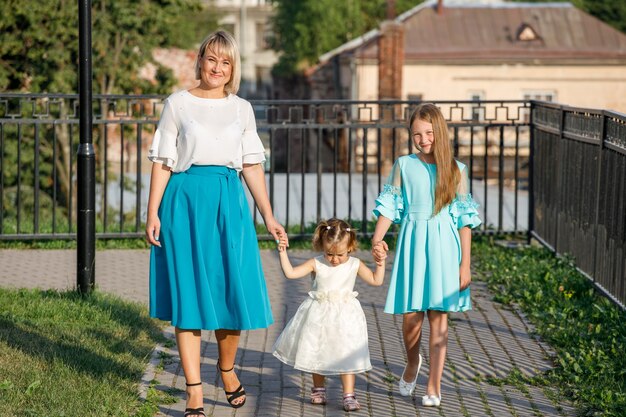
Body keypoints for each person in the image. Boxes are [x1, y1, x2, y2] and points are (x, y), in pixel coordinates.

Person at [145, 30, 287, 416]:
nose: (217, 68)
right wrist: (152, 211)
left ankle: (226, 369)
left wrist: (269, 216)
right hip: (185, 202)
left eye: (226, 62)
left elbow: (252, 165)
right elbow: (163, 161)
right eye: (212, 59)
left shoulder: (242, 109)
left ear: (233, 68)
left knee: (230, 296)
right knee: (188, 298)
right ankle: (193, 390)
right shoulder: (177, 104)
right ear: (201, 60)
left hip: (229, 203)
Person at [371, 103, 481, 407]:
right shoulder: (404, 165)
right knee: (411, 318)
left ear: (440, 132)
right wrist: (378, 238)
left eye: (429, 132)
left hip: (446, 247)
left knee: (438, 316)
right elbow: (390, 206)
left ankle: (434, 384)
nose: (423, 139)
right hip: (413, 243)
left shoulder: (457, 170)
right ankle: (411, 362)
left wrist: (465, 265)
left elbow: (465, 221)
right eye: (417, 134)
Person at [272, 218, 385, 412]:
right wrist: (282, 253)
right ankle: (318, 389)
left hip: (346, 317)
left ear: (350, 246)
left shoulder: (355, 264)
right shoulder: (316, 263)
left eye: (339, 254)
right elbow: (290, 273)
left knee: (347, 353)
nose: (333, 259)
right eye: (329, 253)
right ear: (323, 247)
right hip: (319, 316)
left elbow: (376, 281)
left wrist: (380, 263)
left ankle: (349, 395)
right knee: (317, 350)